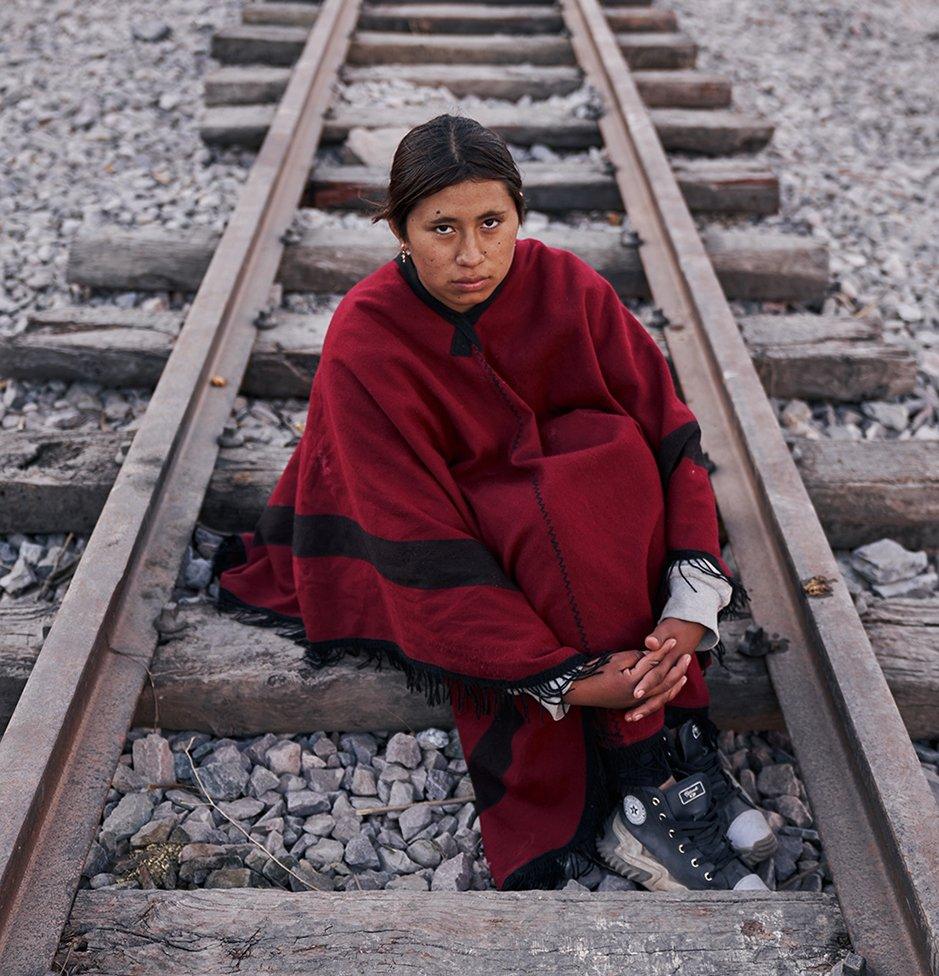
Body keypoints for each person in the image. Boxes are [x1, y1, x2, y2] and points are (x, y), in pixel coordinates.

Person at [214, 114, 776, 892]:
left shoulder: (568, 286)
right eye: (441, 228)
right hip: (450, 529)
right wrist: (570, 681)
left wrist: (688, 606)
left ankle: (671, 753)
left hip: (571, 532)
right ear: (399, 231)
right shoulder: (365, 338)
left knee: (607, 462)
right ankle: (640, 788)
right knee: (545, 513)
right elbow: (405, 528)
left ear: (519, 214)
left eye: (491, 222)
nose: (471, 254)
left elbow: (669, 430)